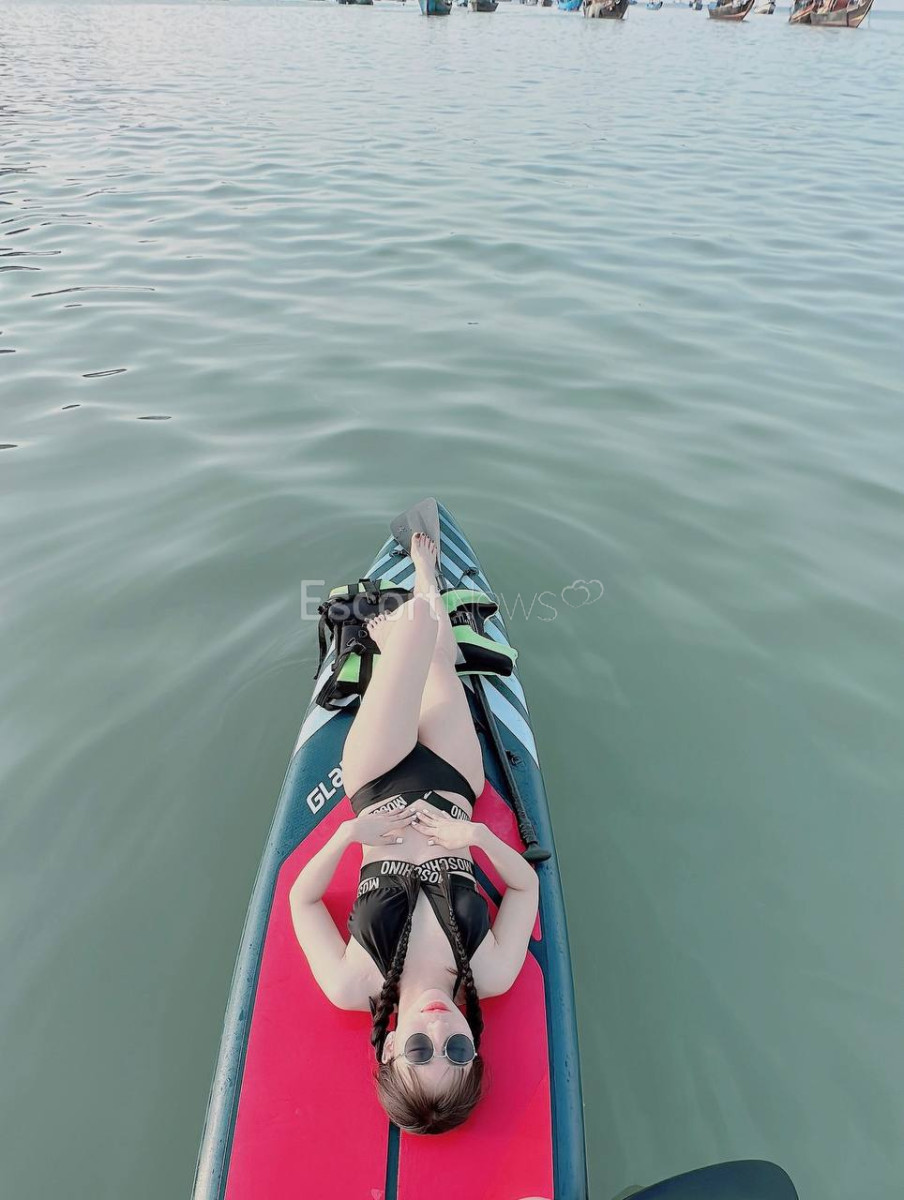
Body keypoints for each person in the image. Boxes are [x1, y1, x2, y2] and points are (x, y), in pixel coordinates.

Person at [289, 532, 540, 1134]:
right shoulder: (491, 973)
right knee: (435, 662)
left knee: (417, 638)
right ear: (473, 1047)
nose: (438, 1028)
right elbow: (526, 887)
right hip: (453, 782)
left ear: (389, 1051)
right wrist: (476, 838)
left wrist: (350, 835)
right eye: (457, 1049)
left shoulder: (354, 983)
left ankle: (403, 634)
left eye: (420, 1051)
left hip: (376, 783)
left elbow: (302, 901)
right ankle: (424, 585)